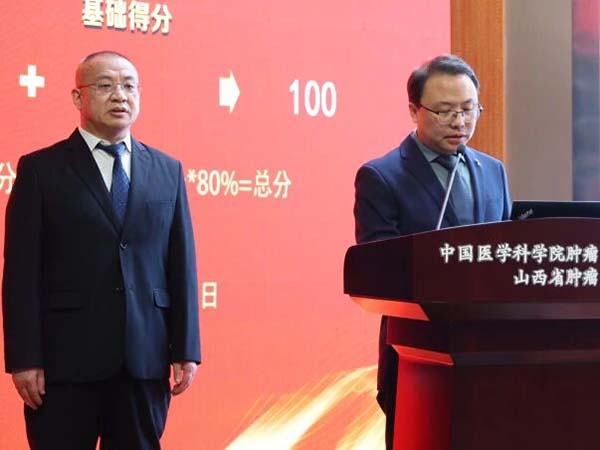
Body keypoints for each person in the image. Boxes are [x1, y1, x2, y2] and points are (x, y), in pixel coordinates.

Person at [2, 51, 201, 450]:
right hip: (64, 365)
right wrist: (24, 358)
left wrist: (186, 348)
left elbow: (181, 265)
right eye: (105, 85)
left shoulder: (167, 170)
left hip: (143, 362)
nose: (120, 95)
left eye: (129, 86)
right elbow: (21, 274)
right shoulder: (41, 169)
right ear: (78, 97)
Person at [353, 54, 511, 449]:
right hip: (418, 355)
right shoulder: (382, 177)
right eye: (444, 111)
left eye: (468, 110)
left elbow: (506, 256)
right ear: (414, 110)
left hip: (491, 354)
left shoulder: (494, 171)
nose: (459, 122)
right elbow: (378, 271)